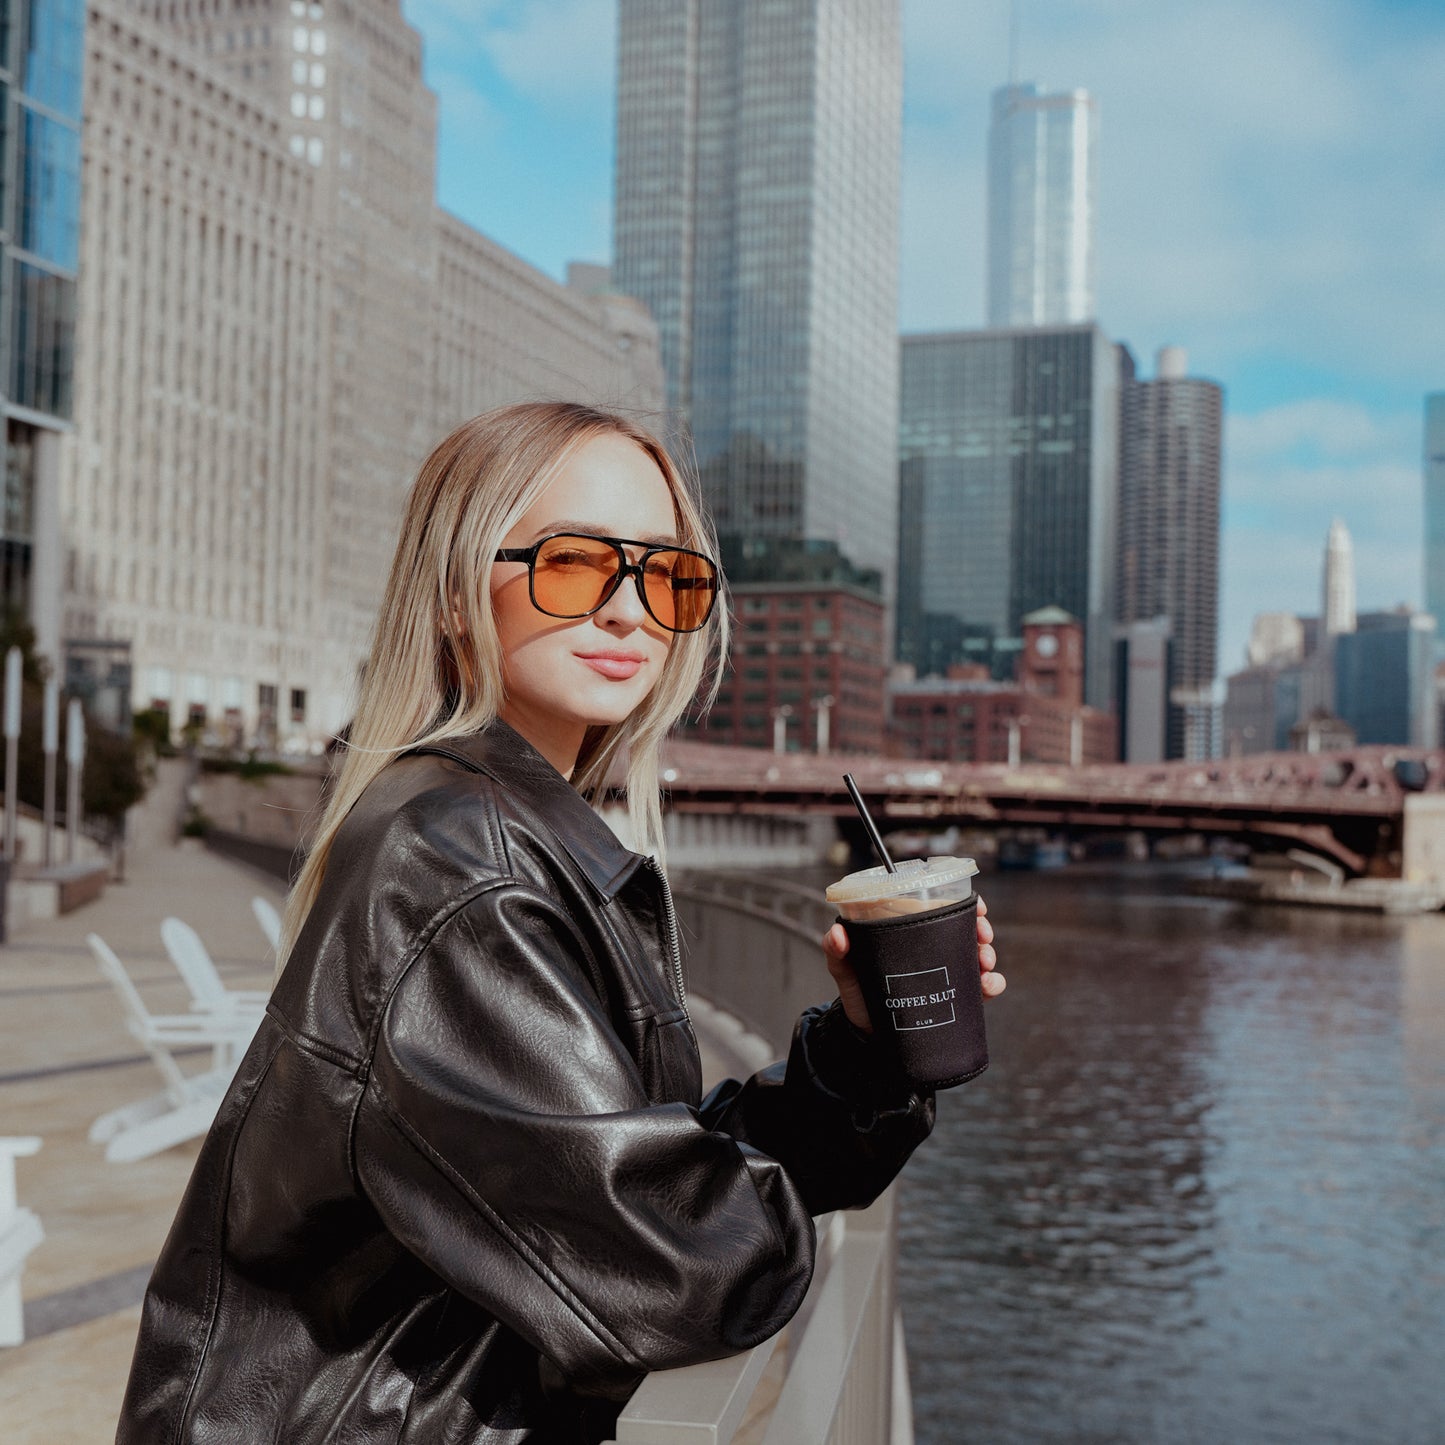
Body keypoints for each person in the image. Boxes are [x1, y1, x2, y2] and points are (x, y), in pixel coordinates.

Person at [117, 401, 1003, 1443]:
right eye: (577, 564)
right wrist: (758, 1221)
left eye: (665, 576)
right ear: (455, 593)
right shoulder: (464, 861)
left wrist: (858, 1063)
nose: (630, 612)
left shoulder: (489, 826)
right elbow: (672, 1266)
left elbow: (615, 1173)